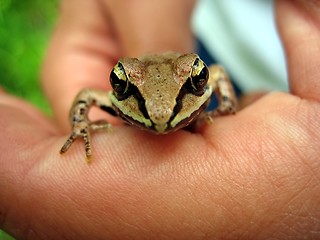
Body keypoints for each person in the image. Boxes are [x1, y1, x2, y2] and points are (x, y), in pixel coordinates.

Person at [0, 0, 319, 239]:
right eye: (121, 83)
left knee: (198, 68)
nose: (161, 117)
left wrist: (226, 106)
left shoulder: (202, 76)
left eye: (200, 80)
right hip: (205, 32)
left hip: (200, 70)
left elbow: (216, 74)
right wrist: (79, 125)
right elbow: (86, 94)